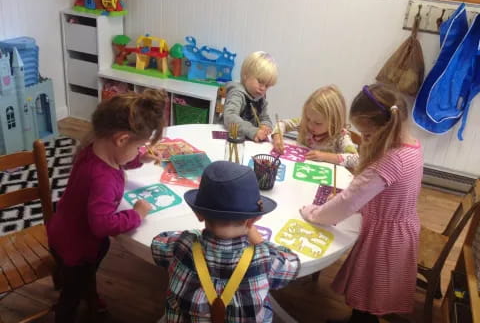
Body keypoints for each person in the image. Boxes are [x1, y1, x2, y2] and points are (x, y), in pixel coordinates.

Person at [300, 83, 423, 323]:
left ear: (386, 129)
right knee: (372, 288)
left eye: (366, 135)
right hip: (400, 228)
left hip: (385, 237)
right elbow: (380, 192)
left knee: (371, 287)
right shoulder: (411, 146)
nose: (363, 141)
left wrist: (314, 213)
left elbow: (348, 202)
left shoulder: (388, 161)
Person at [47, 89, 167, 323]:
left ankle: (90, 295)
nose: (139, 151)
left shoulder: (93, 147)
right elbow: (102, 225)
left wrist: (138, 159)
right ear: (121, 139)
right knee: (70, 296)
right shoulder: (103, 179)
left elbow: (118, 158)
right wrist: (136, 214)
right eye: (138, 147)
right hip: (77, 247)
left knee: (85, 277)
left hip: (66, 231)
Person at [151, 161, 300, 322]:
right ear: (254, 220)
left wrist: (192, 235)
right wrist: (258, 240)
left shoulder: (181, 244)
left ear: (198, 214)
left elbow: (157, 244)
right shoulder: (266, 259)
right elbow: (293, 263)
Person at [272, 85, 359, 169]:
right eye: (308, 118)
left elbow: (355, 160)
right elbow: (282, 123)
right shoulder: (304, 123)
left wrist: (324, 156)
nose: (310, 125)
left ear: (334, 122)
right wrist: (277, 137)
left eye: (318, 123)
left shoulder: (341, 136)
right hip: (298, 168)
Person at [223, 51, 278, 142]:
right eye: (260, 82)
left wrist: (265, 125)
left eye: (267, 85)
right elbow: (230, 117)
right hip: (228, 139)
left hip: (248, 141)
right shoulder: (237, 93)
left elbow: (265, 117)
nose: (263, 88)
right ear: (246, 76)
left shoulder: (261, 98)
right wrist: (252, 130)